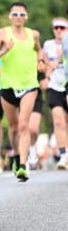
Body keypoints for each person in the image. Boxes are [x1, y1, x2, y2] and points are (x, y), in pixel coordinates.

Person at [0, 2, 45, 182]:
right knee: (13, 128)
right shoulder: (2, 33)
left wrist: (40, 62)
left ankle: (23, 165)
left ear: (26, 17)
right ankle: (15, 155)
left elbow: (39, 50)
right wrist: (5, 50)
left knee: (23, 125)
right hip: (7, 86)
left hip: (29, 85)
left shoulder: (33, 34)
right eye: (15, 14)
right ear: (9, 16)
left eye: (22, 14)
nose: (18, 17)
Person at [43, 17, 68, 170]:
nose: (59, 30)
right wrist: (46, 77)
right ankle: (63, 156)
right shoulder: (48, 45)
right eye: (56, 28)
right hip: (54, 86)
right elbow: (47, 64)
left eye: (62, 28)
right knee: (58, 121)